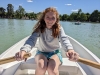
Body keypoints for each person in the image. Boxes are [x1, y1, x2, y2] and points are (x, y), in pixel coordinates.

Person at [15, 7, 79, 75]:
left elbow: (64, 39)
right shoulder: (39, 28)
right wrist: (24, 50)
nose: (50, 20)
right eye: (47, 17)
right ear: (44, 18)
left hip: (55, 53)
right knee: (41, 66)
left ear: (56, 19)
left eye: (53, 18)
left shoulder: (59, 28)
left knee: (52, 70)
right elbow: (31, 40)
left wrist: (70, 50)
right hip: (41, 52)